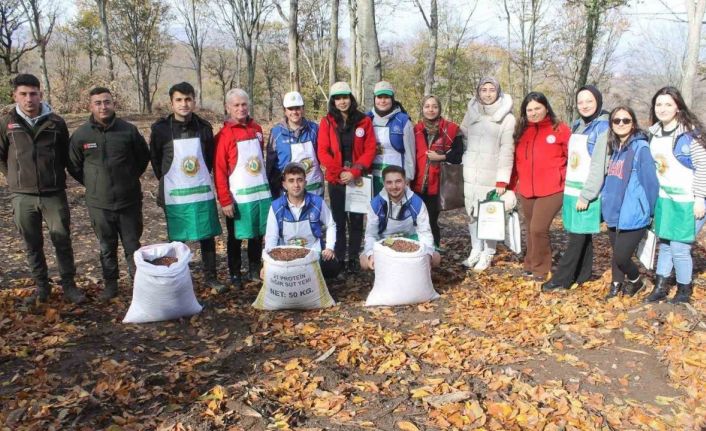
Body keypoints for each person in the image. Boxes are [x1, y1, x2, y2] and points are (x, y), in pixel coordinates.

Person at [0, 74, 85, 304]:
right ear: (15, 95)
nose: (29, 99)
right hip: (22, 197)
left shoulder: (56, 122)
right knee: (32, 243)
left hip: (53, 193)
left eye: (33, 93)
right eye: (24, 94)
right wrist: (13, 179)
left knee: (62, 239)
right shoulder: (6, 122)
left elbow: (66, 155)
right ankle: (42, 287)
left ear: (41, 94)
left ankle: (69, 286)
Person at [68, 87, 150, 301]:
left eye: (107, 102)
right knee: (106, 246)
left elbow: (142, 158)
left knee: (133, 245)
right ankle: (111, 285)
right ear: (90, 106)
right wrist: (93, 184)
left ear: (113, 104)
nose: (103, 106)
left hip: (129, 201)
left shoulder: (128, 131)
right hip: (99, 204)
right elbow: (74, 166)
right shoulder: (81, 135)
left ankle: (140, 285)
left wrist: (129, 178)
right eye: (98, 103)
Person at [149, 82, 226, 293]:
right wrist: (169, 181)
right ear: (171, 103)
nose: (184, 104)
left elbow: (209, 159)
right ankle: (178, 277)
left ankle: (211, 277)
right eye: (179, 100)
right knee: (177, 238)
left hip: (200, 190)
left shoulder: (204, 127)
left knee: (207, 235)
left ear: (194, 100)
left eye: (188, 99)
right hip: (174, 194)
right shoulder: (161, 129)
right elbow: (156, 160)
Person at [542, 86, 610, 291]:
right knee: (582, 233)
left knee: (576, 237)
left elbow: (599, 165)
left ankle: (561, 279)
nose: (585, 105)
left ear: (598, 101)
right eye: (581, 102)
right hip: (572, 189)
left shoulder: (603, 128)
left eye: (589, 101)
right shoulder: (579, 125)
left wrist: (587, 195)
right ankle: (583, 274)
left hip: (586, 191)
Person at [644, 86, 706, 304]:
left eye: (668, 104)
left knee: (680, 246)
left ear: (678, 107)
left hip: (690, 199)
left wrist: (700, 198)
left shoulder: (690, 135)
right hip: (666, 199)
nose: (662, 108)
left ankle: (683, 290)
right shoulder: (654, 133)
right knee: (667, 243)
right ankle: (660, 286)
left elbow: (702, 166)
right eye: (658, 104)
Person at [509, 92, 571, 281]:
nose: (534, 113)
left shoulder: (560, 129)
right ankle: (530, 263)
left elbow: (573, 158)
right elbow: (515, 162)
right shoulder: (521, 131)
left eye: (538, 108)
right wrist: (510, 187)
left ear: (546, 108)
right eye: (530, 110)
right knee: (529, 227)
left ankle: (541, 269)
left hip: (553, 188)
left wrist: (566, 178)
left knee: (538, 228)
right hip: (527, 189)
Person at [214, 88, 272, 286]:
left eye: (244, 104)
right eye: (236, 105)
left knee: (258, 233)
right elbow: (220, 170)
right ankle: (235, 272)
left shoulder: (256, 129)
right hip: (238, 196)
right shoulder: (224, 135)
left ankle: (254, 269)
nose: (241, 108)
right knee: (236, 237)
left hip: (260, 193)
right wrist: (225, 200)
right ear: (228, 107)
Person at [317, 82, 376, 273]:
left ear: (351, 98)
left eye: (345, 97)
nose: (342, 101)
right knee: (339, 219)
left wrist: (355, 171)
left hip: (358, 179)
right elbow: (323, 152)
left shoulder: (364, 121)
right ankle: (340, 256)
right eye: (338, 98)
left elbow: (370, 149)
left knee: (357, 220)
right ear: (333, 101)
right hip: (337, 179)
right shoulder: (327, 122)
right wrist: (341, 171)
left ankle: (353, 257)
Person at [601, 106, 659, 299]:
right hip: (614, 211)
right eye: (616, 120)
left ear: (633, 123)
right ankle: (616, 284)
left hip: (634, 212)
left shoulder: (640, 148)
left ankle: (636, 281)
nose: (621, 124)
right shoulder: (616, 147)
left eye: (626, 120)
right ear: (611, 124)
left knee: (621, 256)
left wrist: (651, 212)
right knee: (617, 253)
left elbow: (650, 183)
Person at [460, 77, 516, 271]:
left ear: (498, 92)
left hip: (492, 176)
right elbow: (464, 138)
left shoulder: (507, 118)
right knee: (472, 214)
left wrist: (502, 179)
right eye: (483, 89)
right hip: (471, 175)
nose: (487, 93)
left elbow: (507, 150)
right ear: (478, 92)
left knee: (489, 216)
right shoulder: (471, 113)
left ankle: (488, 253)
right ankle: (475, 249)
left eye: (491, 89)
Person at [264, 163, 341, 278]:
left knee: (332, 266)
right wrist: (267, 264)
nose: (296, 185)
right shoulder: (276, 207)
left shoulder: (317, 203)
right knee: (268, 273)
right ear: (284, 185)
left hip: (313, 254)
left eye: (299, 180)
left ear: (305, 182)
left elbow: (331, 225)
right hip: (286, 257)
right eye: (291, 181)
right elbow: (271, 237)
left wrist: (329, 247)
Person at [360, 165, 441, 270]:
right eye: (389, 182)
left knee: (435, 258)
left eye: (398, 181)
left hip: (412, 239)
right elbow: (371, 234)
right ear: (383, 184)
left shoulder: (417, 202)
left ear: (405, 182)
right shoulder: (376, 204)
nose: (394, 186)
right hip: (385, 241)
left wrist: (428, 254)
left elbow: (424, 232)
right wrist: (371, 255)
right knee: (364, 262)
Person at [411, 95, 463, 248]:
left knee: (431, 219)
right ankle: (417, 249)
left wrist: (441, 157)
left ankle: (434, 251)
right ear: (422, 109)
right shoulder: (415, 129)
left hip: (438, 183)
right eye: (427, 106)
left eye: (434, 106)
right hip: (417, 182)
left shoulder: (451, 129)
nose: (430, 109)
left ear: (439, 109)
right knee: (417, 218)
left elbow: (458, 155)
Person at [266, 91, 324, 197]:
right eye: (290, 109)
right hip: (287, 190)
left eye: (297, 108)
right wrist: (272, 186)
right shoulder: (276, 132)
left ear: (302, 109)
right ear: (285, 111)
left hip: (313, 187)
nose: (294, 112)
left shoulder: (314, 129)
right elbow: (271, 163)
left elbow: (322, 155)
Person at [367, 81, 415, 194]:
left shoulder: (403, 120)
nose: (383, 101)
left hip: (396, 178)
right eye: (379, 97)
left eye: (386, 97)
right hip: (372, 177)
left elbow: (410, 152)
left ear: (392, 99)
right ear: (374, 99)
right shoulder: (366, 119)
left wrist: (408, 177)